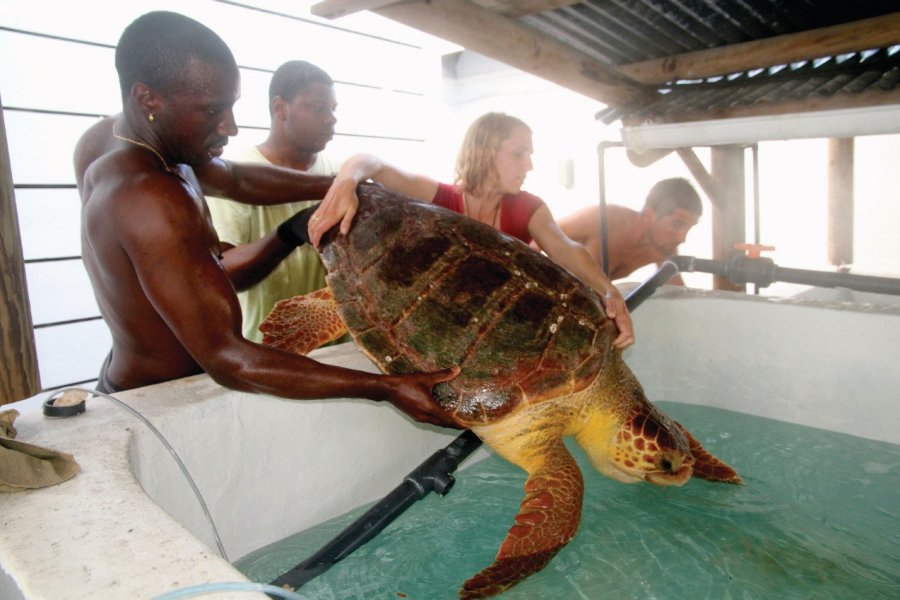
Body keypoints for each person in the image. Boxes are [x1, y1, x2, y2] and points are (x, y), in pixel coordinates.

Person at [73, 11, 460, 428]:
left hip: (130, 382)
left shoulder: (119, 138)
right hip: (158, 408)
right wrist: (385, 387)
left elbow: (236, 178)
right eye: (212, 111)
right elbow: (229, 358)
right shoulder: (150, 197)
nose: (231, 127)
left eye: (232, 106)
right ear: (148, 98)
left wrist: (338, 187)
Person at [308, 112, 635, 349]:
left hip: (494, 337)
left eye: (530, 155)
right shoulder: (440, 197)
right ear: (485, 151)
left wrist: (609, 291)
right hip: (436, 331)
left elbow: (565, 248)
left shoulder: (527, 207)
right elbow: (372, 161)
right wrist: (346, 181)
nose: (529, 165)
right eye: (519, 153)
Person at [207, 60, 344, 343]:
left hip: (339, 351)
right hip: (268, 353)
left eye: (333, 109)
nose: (331, 119)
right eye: (318, 108)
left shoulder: (339, 173)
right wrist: (290, 233)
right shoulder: (236, 176)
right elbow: (222, 274)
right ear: (280, 108)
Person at [555, 178, 702, 284]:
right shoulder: (604, 218)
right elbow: (536, 239)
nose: (682, 238)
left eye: (689, 228)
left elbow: (676, 298)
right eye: (676, 224)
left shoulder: (663, 248)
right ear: (650, 214)